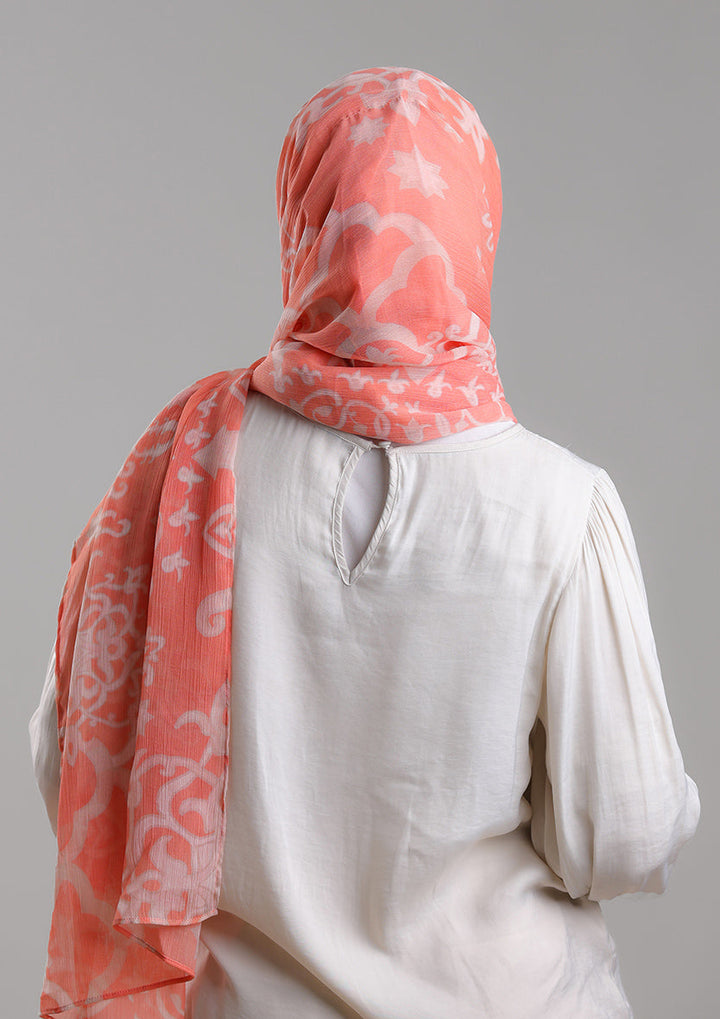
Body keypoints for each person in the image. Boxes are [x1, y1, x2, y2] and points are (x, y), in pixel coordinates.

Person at [29, 65, 700, 1019]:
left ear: (302, 222)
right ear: (475, 228)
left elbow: (71, 765)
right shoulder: (559, 505)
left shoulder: (172, 478)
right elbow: (622, 837)